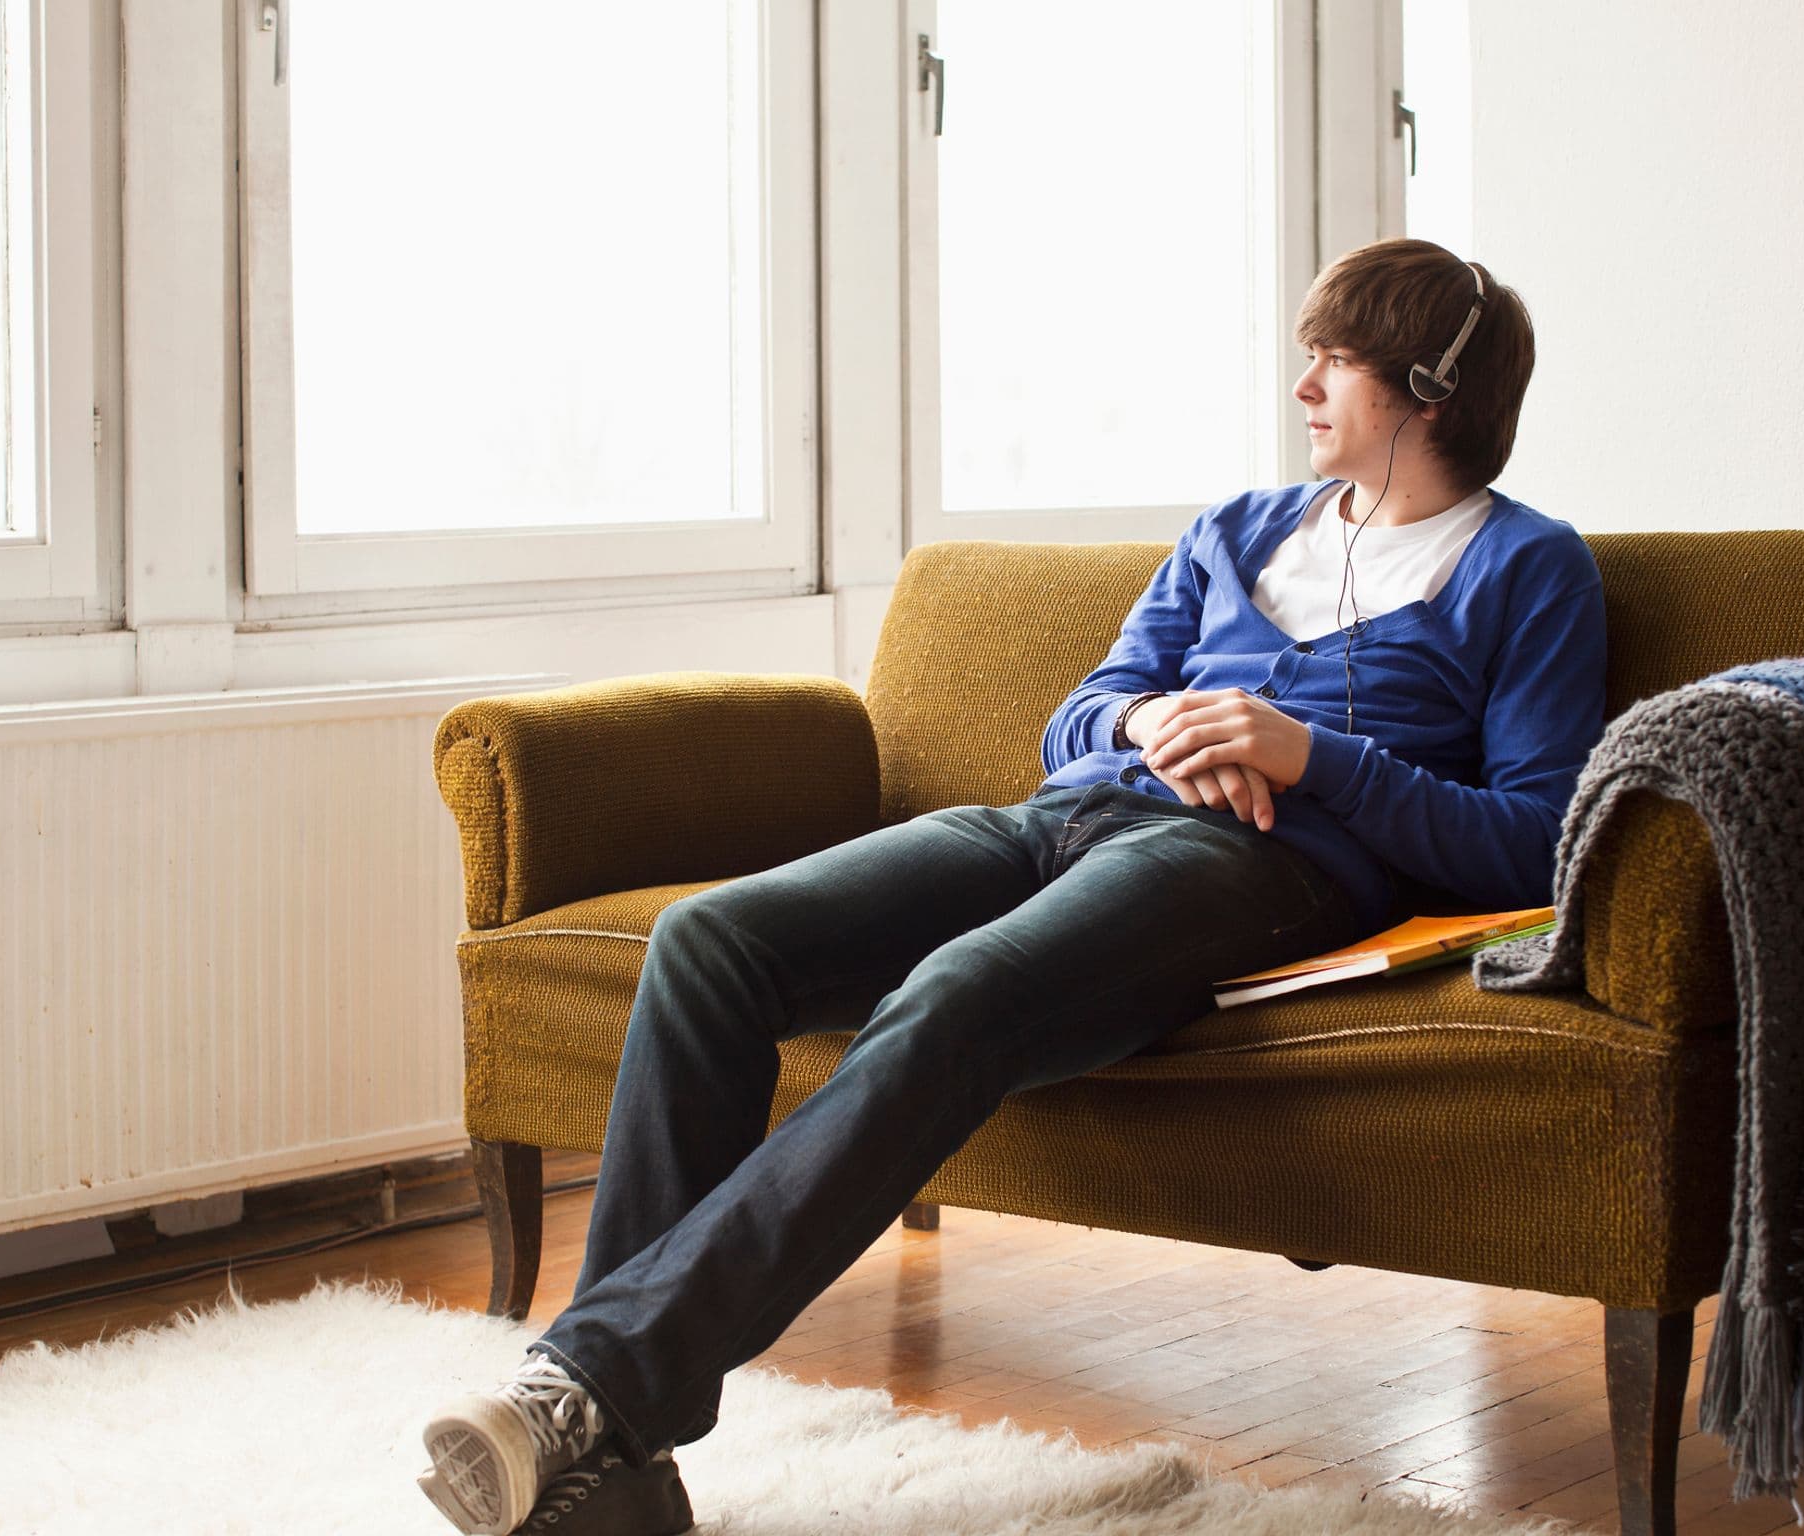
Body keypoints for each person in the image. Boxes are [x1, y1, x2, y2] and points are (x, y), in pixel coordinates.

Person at [414, 237, 1607, 1535]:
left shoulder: (1528, 571)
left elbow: (1536, 834)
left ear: (1431, 386)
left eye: (1337, 356)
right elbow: (1081, 712)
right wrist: (1143, 728)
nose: (1304, 381)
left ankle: (587, 1388)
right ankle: (618, 1454)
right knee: (711, 943)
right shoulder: (1239, 531)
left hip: (1255, 867)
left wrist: (1311, 755)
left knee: (959, 993)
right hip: (1062, 819)